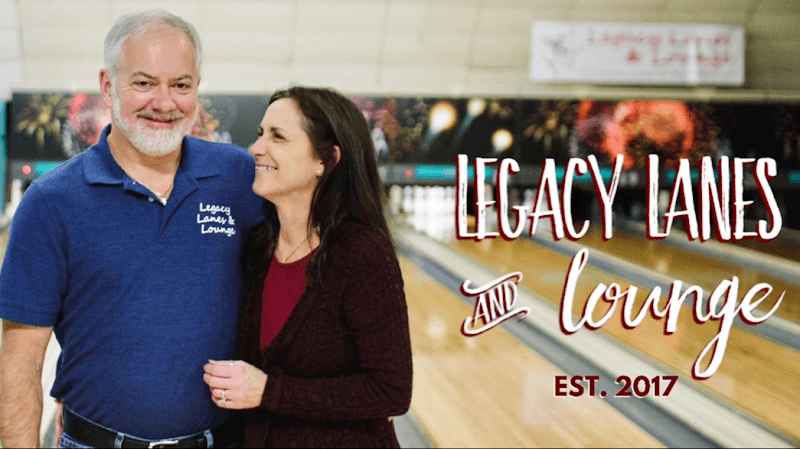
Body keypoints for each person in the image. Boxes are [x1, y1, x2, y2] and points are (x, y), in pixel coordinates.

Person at [0, 10, 263, 448]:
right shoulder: (50, 202)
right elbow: (19, 364)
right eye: (143, 83)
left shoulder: (238, 177)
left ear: (198, 87)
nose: (164, 103)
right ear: (107, 84)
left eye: (181, 85)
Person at [202, 86, 413, 447]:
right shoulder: (256, 248)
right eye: (259, 134)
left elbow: (391, 391)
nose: (255, 149)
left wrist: (270, 391)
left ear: (325, 160)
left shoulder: (362, 254)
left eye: (278, 137)